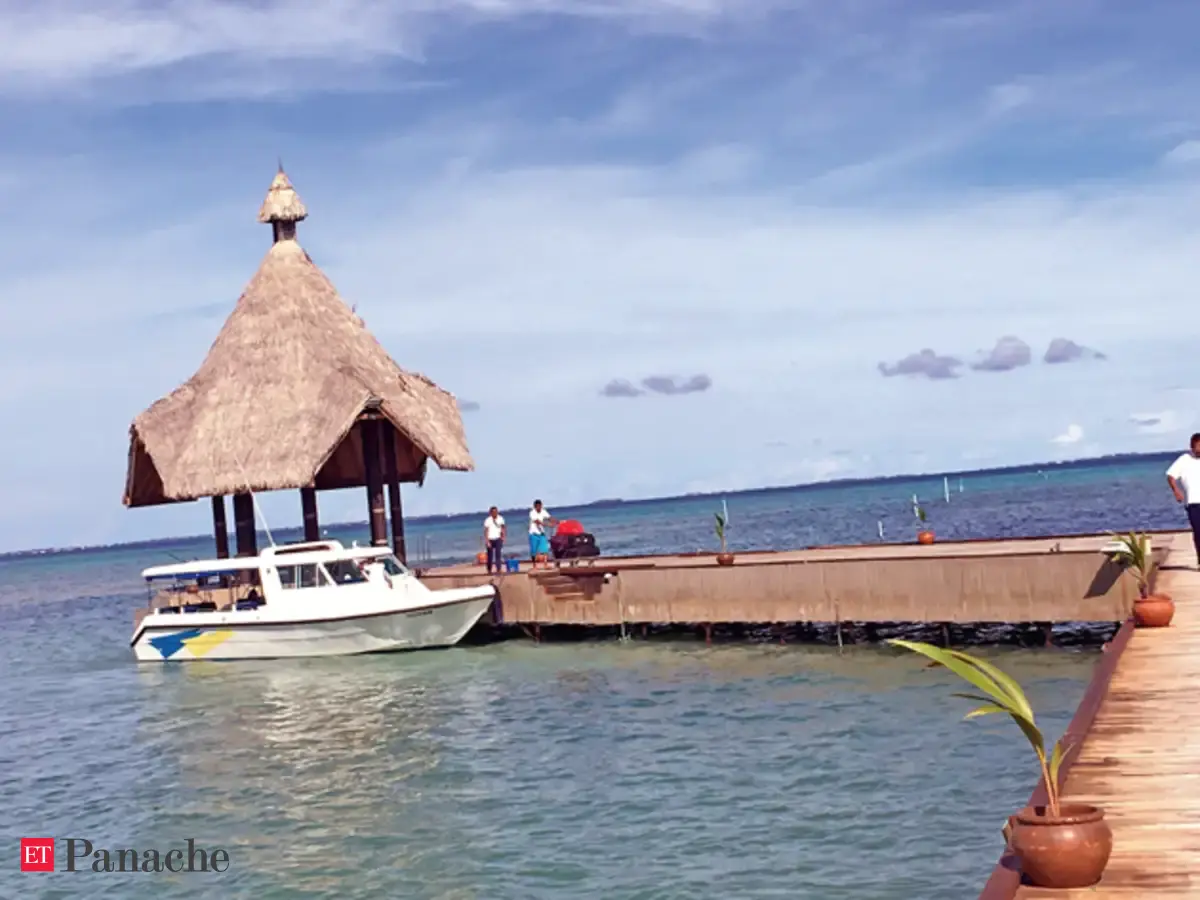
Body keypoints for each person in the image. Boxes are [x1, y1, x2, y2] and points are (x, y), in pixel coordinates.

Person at [1167, 432, 1200, 566]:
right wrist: (1176, 491)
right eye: (1198, 446)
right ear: (1192, 446)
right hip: (1193, 503)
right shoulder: (1184, 460)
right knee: (1198, 532)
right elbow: (1170, 476)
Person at [528, 499, 557, 566]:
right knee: (533, 550)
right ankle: (534, 565)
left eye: (540, 506)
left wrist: (556, 522)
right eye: (537, 506)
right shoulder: (532, 513)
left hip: (541, 533)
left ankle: (545, 563)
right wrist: (548, 525)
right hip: (533, 533)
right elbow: (537, 522)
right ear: (535, 506)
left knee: (545, 549)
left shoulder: (543, 511)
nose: (539, 508)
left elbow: (549, 518)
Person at [482, 506, 507, 574]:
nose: (495, 513)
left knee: (498, 554)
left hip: (498, 538)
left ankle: (498, 569)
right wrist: (487, 541)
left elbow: (503, 528)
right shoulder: (488, 520)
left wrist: (503, 537)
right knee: (490, 556)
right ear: (490, 513)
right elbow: (486, 531)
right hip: (490, 539)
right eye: (493, 512)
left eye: (496, 512)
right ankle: (489, 569)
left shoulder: (500, 518)